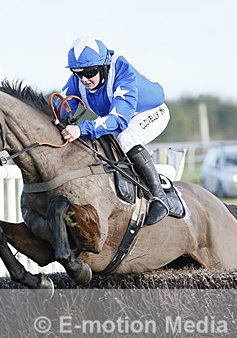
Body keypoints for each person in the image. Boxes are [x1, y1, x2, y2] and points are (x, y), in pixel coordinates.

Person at [59, 36, 170, 225]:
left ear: (103, 66)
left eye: (90, 72)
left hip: (148, 113)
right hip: (117, 116)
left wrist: (81, 128)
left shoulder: (123, 72)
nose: (84, 79)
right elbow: (58, 108)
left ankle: (160, 197)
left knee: (126, 138)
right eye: (78, 73)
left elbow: (118, 120)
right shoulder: (79, 79)